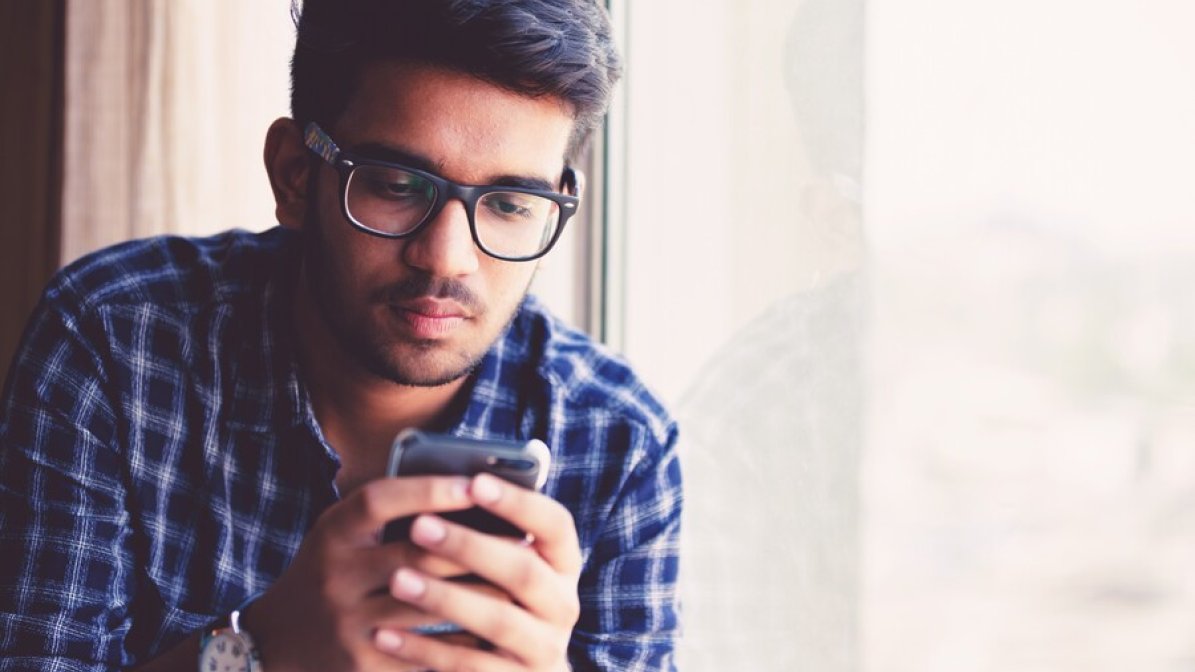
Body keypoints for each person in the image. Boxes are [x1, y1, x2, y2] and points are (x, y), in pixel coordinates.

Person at [0, 1, 682, 670]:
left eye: (508, 205)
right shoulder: (118, 339)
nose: (446, 258)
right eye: (395, 184)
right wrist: (259, 647)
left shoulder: (617, 442)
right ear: (296, 175)